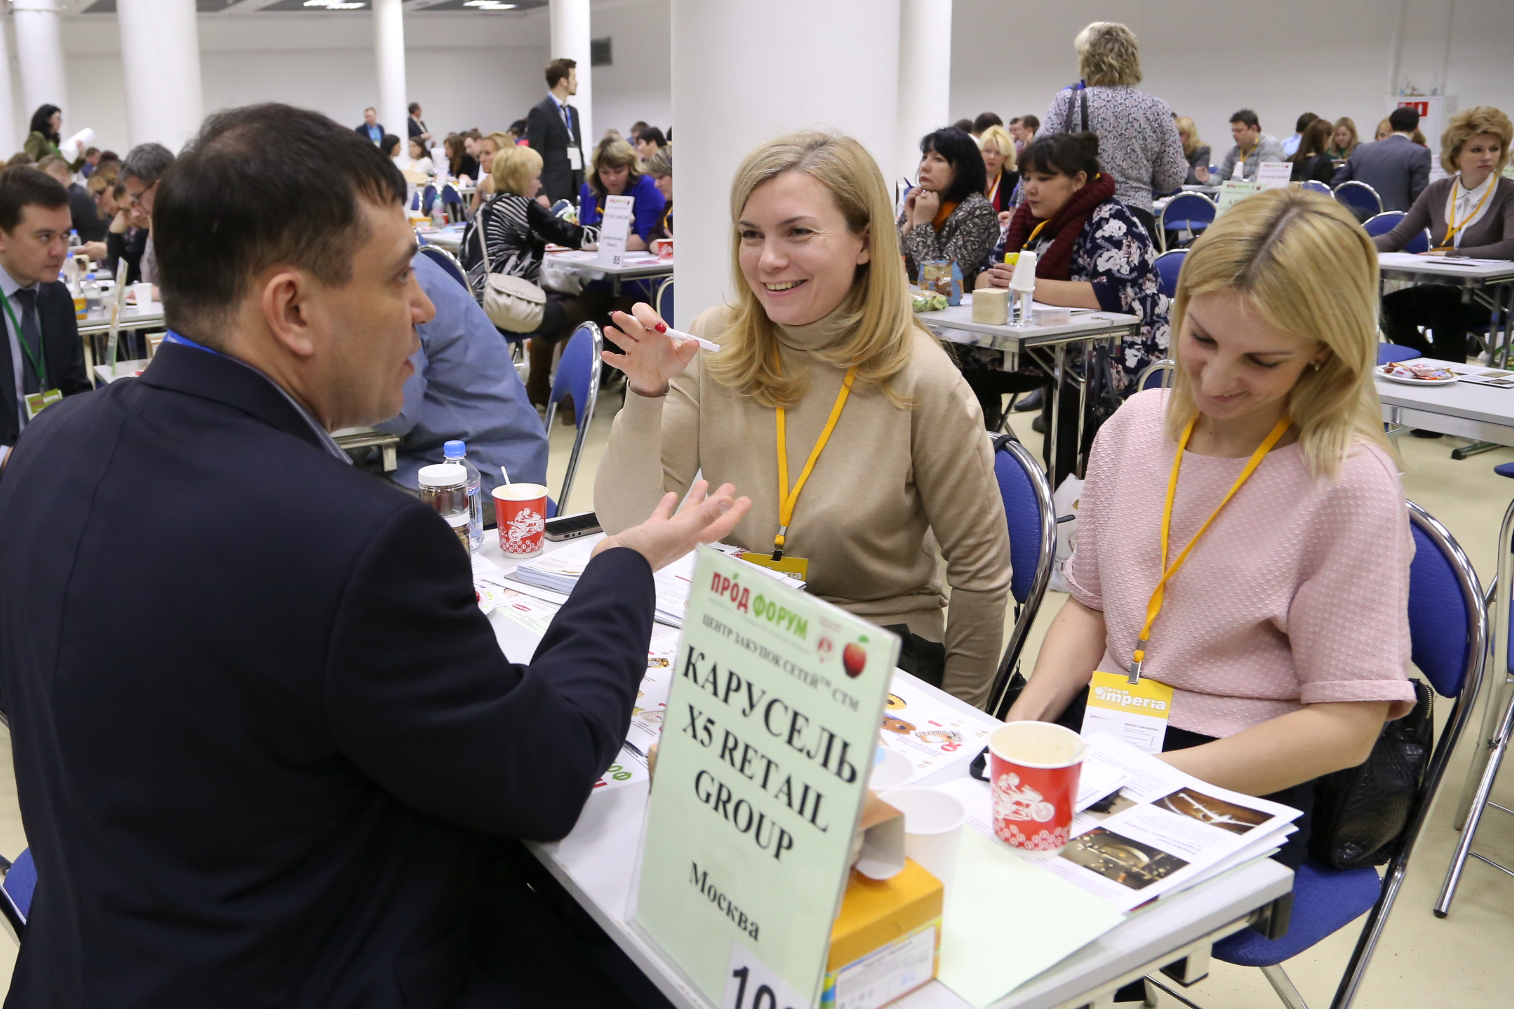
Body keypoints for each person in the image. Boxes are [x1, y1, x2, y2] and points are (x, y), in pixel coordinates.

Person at [0, 100, 751, 1008]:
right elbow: (543, 771)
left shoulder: (49, 449)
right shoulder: (352, 540)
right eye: (399, 278)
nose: (427, 305)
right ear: (293, 308)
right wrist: (620, 568)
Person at [1007, 188, 1414, 885]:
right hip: (1110, 722)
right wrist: (1022, 726)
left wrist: (1142, 778)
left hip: (1245, 764)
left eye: (1262, 361)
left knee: (1048, 896)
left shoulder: (1348, 483)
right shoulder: (1135, 426)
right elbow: (1092, 607)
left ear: (1323, 352)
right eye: (1201, 339)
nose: (1218, 380)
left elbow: (1346, 727)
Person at [594, 130, 1011, 704]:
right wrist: (645, 395)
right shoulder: (715, 341)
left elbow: (980, 573)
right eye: (750, 235)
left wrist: (965, 722)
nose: (767, 260)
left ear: (865, 241)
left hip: (872, 647)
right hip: (744, 629)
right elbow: (628, 522)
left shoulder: (923, 379)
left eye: (798, 232)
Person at [974, 132, 1168, 464]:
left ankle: (1061, 487)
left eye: (1044, 178)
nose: (1031, 187)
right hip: (1044, 347)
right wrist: (995, 279)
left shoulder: (1112, 221)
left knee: (1073, 379)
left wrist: (1027, 284)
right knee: (966, 370)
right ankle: (982, 469)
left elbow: (1109, 294)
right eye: (1027, 177)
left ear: (1078, 180)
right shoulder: (1025, 221)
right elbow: (984, 275)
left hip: (1120, 346)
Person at [377, 251, 549, 503]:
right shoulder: (407, 268)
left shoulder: (394, 285)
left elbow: (396, 414)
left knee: (328, 496)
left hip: (482, 475)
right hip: (501, 454)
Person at [461, 144, 603, 406]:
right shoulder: (524, 208)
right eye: (536, 177)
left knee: (554, 301)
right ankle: (572, 402)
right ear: (521, 178)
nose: (539, 185)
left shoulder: (484, 208)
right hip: (503, 309)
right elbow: (575, 236)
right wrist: (614, 226)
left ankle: (537, 386)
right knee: (586, 309)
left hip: (475, 306)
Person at [1376, 106, 1514, 365]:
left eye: (1494, 149)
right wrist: (1351, 244)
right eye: (1477, 149)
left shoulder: (1508, 193)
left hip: (1495, 295)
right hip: (1447, 289)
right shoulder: (1438, 190)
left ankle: (1447, 369)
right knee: (1392, 306)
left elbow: (1511, 247)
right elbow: (1396, 238)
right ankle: (1430, 363)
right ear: (1456, 154)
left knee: (1444, 300)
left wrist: (1454, 254)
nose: (1488, 156)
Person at [1041, 22, 1185, 240]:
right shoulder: (1157, 108)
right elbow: (1171, 179)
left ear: (1086, 59)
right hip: (1136, 219)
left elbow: (1039, 160)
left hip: (1079, 214)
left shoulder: (1068, 102)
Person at [0, 167, 91, 467]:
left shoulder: (58, 298)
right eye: (44, 237)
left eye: (64, 235)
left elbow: (76, 389)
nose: (59, 250)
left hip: (54, 466)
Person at [897, 126, 997, 291]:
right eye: (924, 157)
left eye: (938, 159)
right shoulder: (921, 201)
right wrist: (909, 224)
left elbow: (942, 281)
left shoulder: (978, 211)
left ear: (962, 168)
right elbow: (891, 264)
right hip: (914, 303)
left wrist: (921, 224)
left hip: (956, 311)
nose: (925, 166)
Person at [1332, 106, 1432, 212]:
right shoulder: (1419, 153)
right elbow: (1420, 198)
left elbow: (1337, 185)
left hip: (1360, 220)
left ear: (1390, 127)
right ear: (1416, 129)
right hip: (1397, 222)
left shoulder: (1361, 150)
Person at [578, 137, 666, 251]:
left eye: (618, 171)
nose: (612, 178)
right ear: (596, 171)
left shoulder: (647, 187)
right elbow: (583, 234)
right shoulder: (588, 189)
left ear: (630, 167)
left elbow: (647, 239)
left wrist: (596, 245)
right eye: (605, 172)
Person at [527, 57, 587, 204]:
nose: (577, 82)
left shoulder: (573, 112)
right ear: (563, 81)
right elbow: (536, 154)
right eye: (574, 77)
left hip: (575, 186)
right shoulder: (540, 112)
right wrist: (541, 192)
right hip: (553, 188)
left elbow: (577, 148)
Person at [121, 141, 174, 285]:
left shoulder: (197, 215)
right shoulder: (162, 221)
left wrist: (160, 294)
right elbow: (150, 281)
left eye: (137, 198)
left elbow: (206, 291)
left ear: (158, 186)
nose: (136, 210)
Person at [37, 153, 106, 246]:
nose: (44, 184)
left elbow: (51, 228)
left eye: (47, 178)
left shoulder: (71, 198)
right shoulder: (78, 192)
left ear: (63, 174)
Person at [1213, 109, 1286, 183]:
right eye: (1233, 131)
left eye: (1239, 131)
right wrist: (1208, 178)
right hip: (1240, 191)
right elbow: (1222, 176)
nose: (1234, 135)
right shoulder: (1234, 150)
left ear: (1253, 129)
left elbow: (1265, 176)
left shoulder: (1270, 145)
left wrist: (1237, 185)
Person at [978, 124, 1019, 218]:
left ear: (1007, 156)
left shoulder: (1015, 178)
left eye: (998, 153)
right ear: (980, 152)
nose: (992, 157)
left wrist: (1012, 216)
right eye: (987, 151)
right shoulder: (969, 177)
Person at [23, 105, 81, 170]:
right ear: (48, 119)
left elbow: (68, 168)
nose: (60, 122)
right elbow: (28, 164)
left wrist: (81, 155)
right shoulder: (36, 136)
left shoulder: (53, 142)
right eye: (58, 118)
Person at [1289, 117, 1337, 184]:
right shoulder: (1324, 163)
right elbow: (1325, 191)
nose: (1331, 143)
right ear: (1325, 138)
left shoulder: (1290, 160)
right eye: (1331, 139)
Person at [647, 144, 673, 239]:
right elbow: (652, 235)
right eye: (655, 178)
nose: (656, 184)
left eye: (661, 177)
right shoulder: (670, 204)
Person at [1175, 115, 1210, 185]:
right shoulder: (1169, 151)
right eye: (1174, 134)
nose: (1176, 138)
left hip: (1193, 193)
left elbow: (1196, 181)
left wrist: (1182, 161)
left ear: (1190, 135)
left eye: (1180, 134)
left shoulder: (1202, 151)